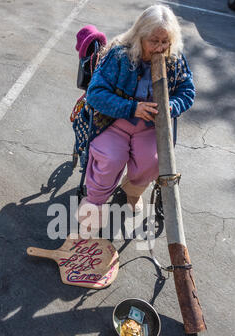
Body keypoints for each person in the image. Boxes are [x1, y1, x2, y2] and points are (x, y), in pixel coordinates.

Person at [73, 4, 195, 235]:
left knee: (152, 160)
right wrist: (132, 107)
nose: (160, 47)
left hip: (150, 127)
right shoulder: (119, 55)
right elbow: (95, 94)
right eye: (154, 41)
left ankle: (133, 190)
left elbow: (187, 91)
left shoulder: (175, 59)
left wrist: (172, 105)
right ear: (140, 36)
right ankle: (95, 202)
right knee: (111, 157)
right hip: (112, 122)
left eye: (165, 41)